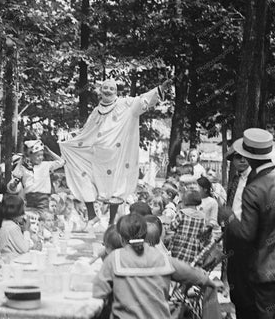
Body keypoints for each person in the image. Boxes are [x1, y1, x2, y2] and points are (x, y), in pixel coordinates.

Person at [60, 78, 172, 226]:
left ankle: (112, 221)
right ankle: (92, 214)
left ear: (116, 92)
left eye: (111, 89)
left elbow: (141, 100)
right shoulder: (96, 111)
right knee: (83, 175)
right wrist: (72, 141)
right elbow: (87, 131)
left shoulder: (124, 104)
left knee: (115, 188)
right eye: (105, 88)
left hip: (117, 156)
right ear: (100, 91)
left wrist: (160, 89)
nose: (107, 91)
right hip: (97, 156)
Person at [93, 213, 221, 319]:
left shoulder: (113, 259)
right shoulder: (163, 259)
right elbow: (196, 275)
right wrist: (211, 282)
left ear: (121, 239)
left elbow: (99, 294)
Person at [219, 128, 275, 318]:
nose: (241, 160)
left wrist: (228, 216)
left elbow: (246, 233)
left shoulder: (256, 187)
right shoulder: (255, 180)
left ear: (248, 156)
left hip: (258, 263)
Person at [221, 144, 256, 319]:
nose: (241, 160)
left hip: (248, 239)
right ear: (232, 161)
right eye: (237, 157)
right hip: (232, 236)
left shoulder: (257, 179)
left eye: (245, 156)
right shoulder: (235, 179)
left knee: (246, 287)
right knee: (234, 280)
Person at [7, 140, 65, 210]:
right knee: (31, 217)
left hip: (43, 198)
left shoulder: (46, 165)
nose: (41, 157)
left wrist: (49, 152)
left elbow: (62, 162)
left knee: (43, 216)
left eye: (42, 155)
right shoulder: (24, 167)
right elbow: (15, 180)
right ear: (30, 156)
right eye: (38, 155)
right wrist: (13, 185)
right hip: (29, 198)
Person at [168, 189, 205, 264]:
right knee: (188, 265)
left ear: (185, 201)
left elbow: (173, 226)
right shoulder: (202, 216)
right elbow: (202, 231)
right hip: (193, 245)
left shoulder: (182, 213)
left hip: (179, 243)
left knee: (177, 264)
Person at [0, 195, 31, 263]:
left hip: (6, 260)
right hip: (13, 262)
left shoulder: (5, 223)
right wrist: (26, 230)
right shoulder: (12, 227)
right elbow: (24, 249)